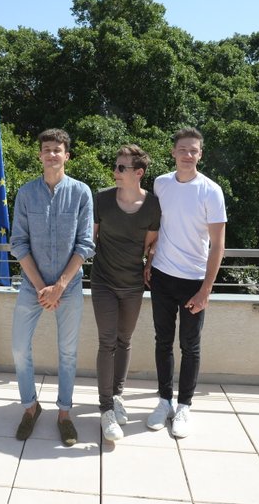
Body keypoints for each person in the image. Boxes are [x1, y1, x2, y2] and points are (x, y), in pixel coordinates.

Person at [10, 128, 94, 446]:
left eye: (57, 149)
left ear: (67, 155)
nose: (51, 154)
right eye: (46, 149)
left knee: (68, 353)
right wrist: (41, 286)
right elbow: (18, 243)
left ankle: (64, 414)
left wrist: (59, 285)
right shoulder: (26, 193)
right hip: (32, 285)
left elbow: (85, 244)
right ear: (40, 155)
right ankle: (31, 407)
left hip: (69, 287)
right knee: (19, 348)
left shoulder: (81, 193)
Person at [144, 127, 226, 438]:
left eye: (193, 150)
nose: (187, 155)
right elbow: (158, 228)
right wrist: (150, 262)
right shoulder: (161, 184)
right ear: (173, 152)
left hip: (194, 281)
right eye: (182, 149)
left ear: (200, 154)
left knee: (190, 347)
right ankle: (164, 400)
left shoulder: (211, 191)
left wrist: (206, 289)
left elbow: (218, 245)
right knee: (162, 342)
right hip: (163, 276)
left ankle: (184, 406)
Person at [91, 145, 161, 442]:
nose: (115, 171)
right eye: (116, 166)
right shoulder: (103, 200)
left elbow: (149, 245)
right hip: (103, 282)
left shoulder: (153, 206)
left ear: (138, 173)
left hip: (133, 284)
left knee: (125, 340)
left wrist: (150, 262)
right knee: (107, 342)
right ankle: (106, 408)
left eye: (122, 168)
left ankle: (117, 394)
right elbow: (91, 238)